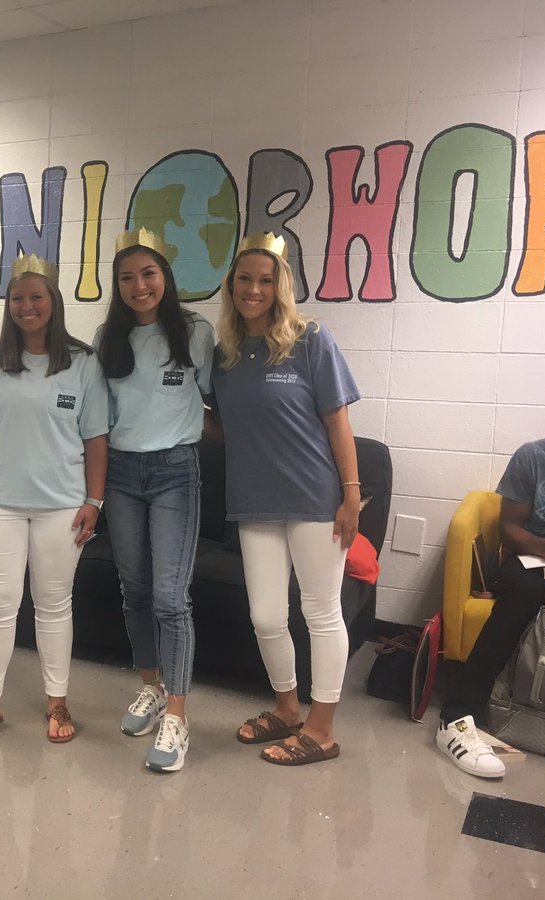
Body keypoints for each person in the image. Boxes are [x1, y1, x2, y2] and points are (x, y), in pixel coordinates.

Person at [210, 232, 360, 767]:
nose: (254, 289)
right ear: (232, 286)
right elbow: (221, 425)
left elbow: (338, 422)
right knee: (267, 616)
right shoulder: (225, 353)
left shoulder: (309, 339)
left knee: (320, 613)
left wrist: (351, 497)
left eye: (265, 280)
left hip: (315, 500)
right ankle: (287, 708)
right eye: (245, 279)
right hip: (253, 502)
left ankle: (321, 729)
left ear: (281, 286)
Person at [0, 254, 108, 745]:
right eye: (17, 298)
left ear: (53, 302)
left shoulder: (83, 363)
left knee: (54, 604)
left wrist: (94, 502)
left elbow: (96, 440)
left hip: (63, 506)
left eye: (36, 296)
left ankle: (57, 702)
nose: (27, 306)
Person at [94, 228, 215, 772]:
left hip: (173, 472)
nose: (139, 285)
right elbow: (97, 416)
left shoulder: (196, 332)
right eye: (126, 277)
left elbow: (218, 405)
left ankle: (178, 716)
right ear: (116, 286)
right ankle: (151, 687)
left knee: (171, 597)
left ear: (166, 278)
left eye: (149, 274)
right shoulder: (108, 337)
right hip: (120, 472)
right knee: (135, 590)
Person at [436, 437, 545, 778]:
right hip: (532, 560)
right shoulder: (534, 456)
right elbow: (509, 529)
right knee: (526, 591)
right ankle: (457, 715)